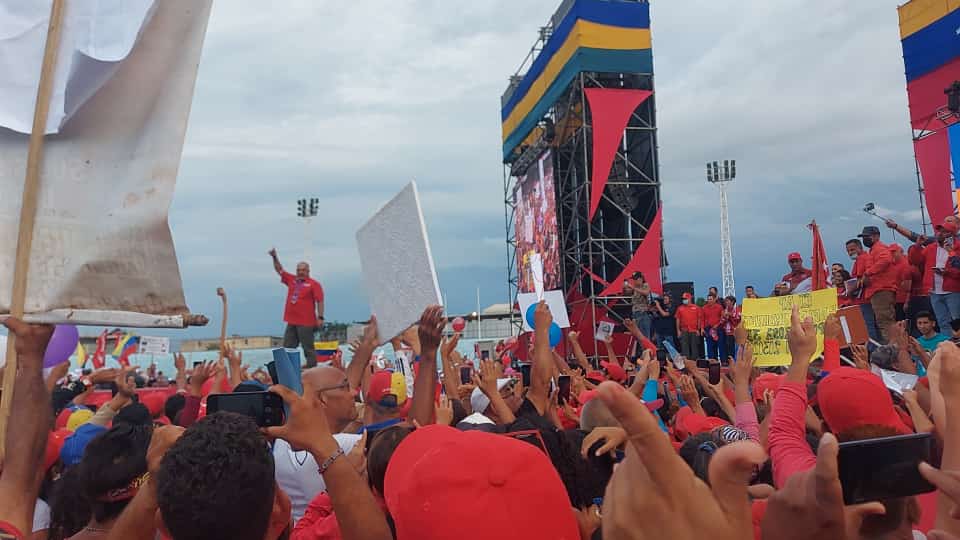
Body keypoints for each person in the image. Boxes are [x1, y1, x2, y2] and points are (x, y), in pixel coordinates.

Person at [269, 247, 325, 368]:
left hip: (306, 322)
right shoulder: (292, 280)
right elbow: (280, 270)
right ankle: (290, 369)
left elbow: (320, 300)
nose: (300, 272)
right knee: (288, 347)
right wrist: (274, 257)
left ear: (308, 271)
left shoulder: (314, 284)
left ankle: (312, 368)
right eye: (298, 270)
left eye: (303, 270)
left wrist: (320, 317)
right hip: (292, 320)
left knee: (308, 348)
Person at [910, 220, 960, 337]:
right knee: (942, 322)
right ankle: (947, 346)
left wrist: (946, 272)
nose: (939, 234)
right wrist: (917, 245)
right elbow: (914, 261)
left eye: (944, 232)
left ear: (951, 234)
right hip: (934, 291)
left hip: (953, 290)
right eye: (939, 231)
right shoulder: (931, 247)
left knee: (956, 321)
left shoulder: (957, 248)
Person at [855, 226, 898, 342]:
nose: (865, 239)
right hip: (878, 290)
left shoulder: (879, 248)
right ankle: (894, 349)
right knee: (884, 322)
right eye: (863, 237)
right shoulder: (874, 250)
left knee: (885, 322)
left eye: (867, 237)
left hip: (881, 290)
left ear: (876, 236)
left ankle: (894, 351)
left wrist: (868, 273)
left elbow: (886, 260)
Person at [622, 272, 652, 338]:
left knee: (645, 336)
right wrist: (624, 288)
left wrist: (633, 288)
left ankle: (647, 348)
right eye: (633, 279)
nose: (634, 281)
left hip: (643, 313)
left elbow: (646, 293)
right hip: (635, 314)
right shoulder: (635, 287)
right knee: (637, 336)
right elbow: (626, 293)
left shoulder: (645, 285)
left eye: (636, 279)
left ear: (640, 279)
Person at [675, 292, 703, 360]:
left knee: (694, 347)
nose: (684, 300)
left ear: (689, 299)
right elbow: (677, 319)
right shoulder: (680, 308)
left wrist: (698, 329)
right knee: (684, 348)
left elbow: (699, 319)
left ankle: (695, 362)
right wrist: (678, 331)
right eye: (683, 299)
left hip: (694, 330)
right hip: (684, 330)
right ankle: (686, 362)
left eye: (685, 298)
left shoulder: (696, 308)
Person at [701, 293, 725, 362]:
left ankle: (723, 361)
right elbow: (702, 319)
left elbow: (722, 318)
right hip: (708, 329)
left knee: (720, 345)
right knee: (710, 346)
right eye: (708, 299)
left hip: (718, 329)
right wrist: (702, 328)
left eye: (711, 299)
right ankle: (712, 361)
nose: (709, 301)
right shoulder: (704, 308)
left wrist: (717, 325)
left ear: (714, 299)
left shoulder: (719, 307)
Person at [721, 295, 741, 361]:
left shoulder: (737, 309)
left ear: (732, 302)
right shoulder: (724, 311)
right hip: (728, 332)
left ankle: (737, 362)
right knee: (729, 348)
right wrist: (725, 318)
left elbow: (738, 319)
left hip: (736, 332)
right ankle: (731, 362)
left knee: (737, 348)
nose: (726, 302)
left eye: (727, 301)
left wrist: (730, 315)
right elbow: (721, 322)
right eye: (725, 301)